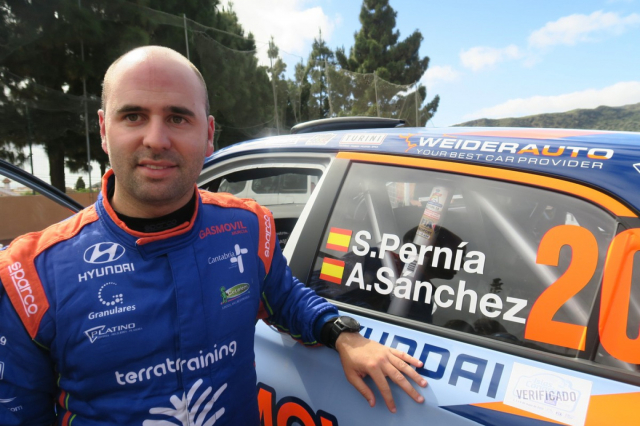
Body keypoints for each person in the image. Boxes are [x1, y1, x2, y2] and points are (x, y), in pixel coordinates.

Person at [0, 46, 427, 425]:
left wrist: (342, 333)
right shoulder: (27, 277)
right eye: (133, 116)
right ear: (103, 129)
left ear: (207, 134)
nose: (156, 139)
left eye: (177, 117)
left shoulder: (248, 227)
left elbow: (285, 297)